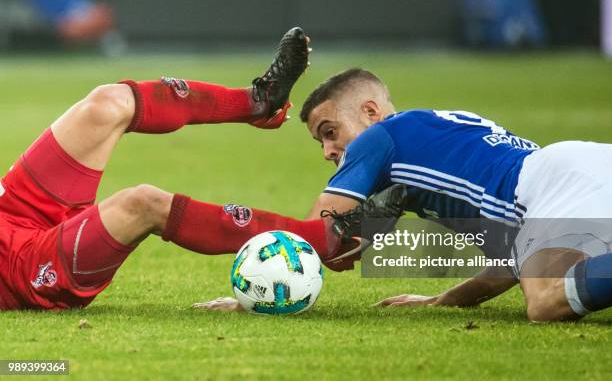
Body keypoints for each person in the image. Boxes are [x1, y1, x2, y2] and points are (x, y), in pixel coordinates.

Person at [0, 28, 397, 311]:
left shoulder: (397, 148)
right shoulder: (403, 146)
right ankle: (322, 236)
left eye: (331, 135)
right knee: (141, 202)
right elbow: (451, 244)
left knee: (106, 103)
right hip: (24, 268)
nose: (330, 150)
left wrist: (441, 292)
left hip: (14, 210)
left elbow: (453, 242)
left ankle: (257, 101)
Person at [202, 67, 612, 322]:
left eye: (330, 133)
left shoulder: (382, 137)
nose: (328, 151)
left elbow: (314, 234)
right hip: (581, 172)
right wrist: (444, 301)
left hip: (564, 182)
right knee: (550, 286)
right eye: (320, 144)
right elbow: (514, 261)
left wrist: (253, 297)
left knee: (545, 302)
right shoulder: (433, 140)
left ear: (369, 112)